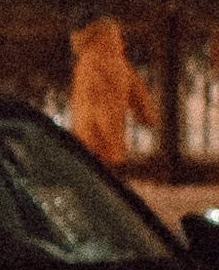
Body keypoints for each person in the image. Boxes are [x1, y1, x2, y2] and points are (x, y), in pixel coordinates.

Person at [67, 10, 156, 169]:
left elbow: (96, 105)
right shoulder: (118, 60)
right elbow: (137, 93)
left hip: (90, 142)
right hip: (108, 143)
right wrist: (148, 117)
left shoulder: (86, 62)